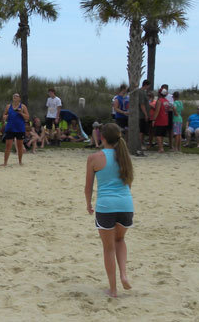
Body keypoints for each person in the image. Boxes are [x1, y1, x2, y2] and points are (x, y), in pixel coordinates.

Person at [84, 123, 134, 298]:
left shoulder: (94, 158)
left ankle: (113, 289)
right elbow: (129, 183)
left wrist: (88, 203)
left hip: (106, 206)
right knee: (120, 240)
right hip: (126, 205)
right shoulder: (125, 156)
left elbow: (88, 187)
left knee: (108, 248)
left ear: (102, 137)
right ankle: (124, 275)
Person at [2, 93, 29, 166]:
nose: (15, 97)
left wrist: (21, 113)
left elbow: (27, 117)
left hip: (20, 128)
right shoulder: (8, 106)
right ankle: (5, 162)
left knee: (20, 146)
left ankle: (20, 161)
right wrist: (5, 117)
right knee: (8, 146)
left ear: (19, 98)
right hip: (10, 128)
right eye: (14, 96)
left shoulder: (23, 106)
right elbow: (4, 115)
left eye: (17, 96)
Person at [151, 88, 171, 153]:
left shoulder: (159, 101)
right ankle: (161, 147)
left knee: (158, 134)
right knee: (162, 135)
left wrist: (153, 119)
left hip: (160, 119)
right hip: (165, 119)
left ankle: (161, 148)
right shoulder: (167, 101)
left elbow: (157, 111)